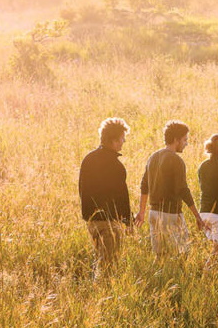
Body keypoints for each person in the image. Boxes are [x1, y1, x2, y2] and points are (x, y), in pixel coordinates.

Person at [135, 120, 205, 257]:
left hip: (153, 213)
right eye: (185, 140)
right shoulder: (176, 160)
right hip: (170, 215)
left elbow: (144, 186)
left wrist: (141, 212)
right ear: (176, 140)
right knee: (181, 254)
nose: (186, 143)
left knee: (161, 255)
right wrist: (197, 216)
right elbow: (183, 190)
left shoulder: (153, 157)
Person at [79, 117, 131, 276]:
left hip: (92, 221)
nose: (123, 142)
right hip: (109, 222)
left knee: (100, 261)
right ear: (114, 140)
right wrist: (128, 221)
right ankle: (102, 295)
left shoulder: (88, 159)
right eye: (122, 138)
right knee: (109, 266)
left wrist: (88, 215)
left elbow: (82, 189)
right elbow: (122, 196)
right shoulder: (115, 165)